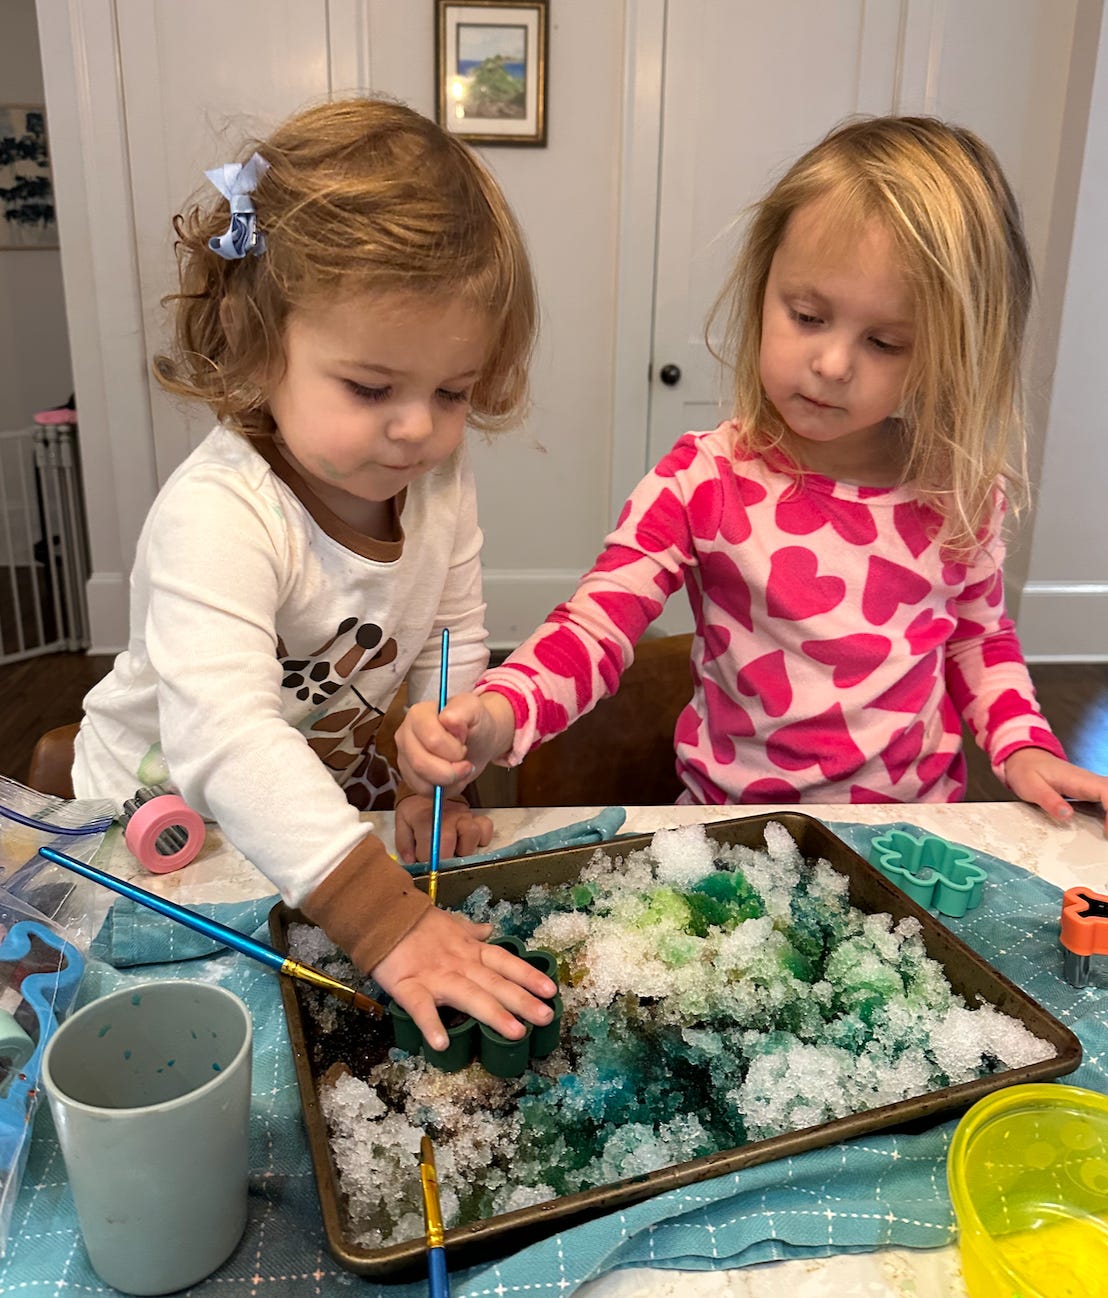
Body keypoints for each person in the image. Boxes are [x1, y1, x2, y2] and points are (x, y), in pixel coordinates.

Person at [396, 115, 1108, 828]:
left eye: (886, 342)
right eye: (806, 315)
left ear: (951, 354)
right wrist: (497, 711)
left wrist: (1025, 747)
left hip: (911, 839)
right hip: (735, 839)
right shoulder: (702, 480)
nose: (831, 364)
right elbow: (595, 629)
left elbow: (978, 639)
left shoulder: (958, 492)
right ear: (763, 287)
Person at [72, 97, 556, 1050]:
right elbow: (230, 741)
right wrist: (390, 921)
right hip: (153, 845)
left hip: (310, 838)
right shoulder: (218, 512)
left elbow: (452, 629)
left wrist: (435, 769)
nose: (418, 427)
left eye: (450, 392)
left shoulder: (440, 483)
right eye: (372, 388)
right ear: (260, 351)